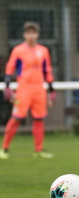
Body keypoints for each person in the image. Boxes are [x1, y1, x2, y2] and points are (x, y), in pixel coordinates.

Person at [1, 21, 56, 159]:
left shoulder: (43, 51)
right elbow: (9, 69)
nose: (31, 35)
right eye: (28, 32)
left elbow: (47, 71)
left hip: (39, 90)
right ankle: (4, 149)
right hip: (23, 89)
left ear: (37, 35)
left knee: (39, 119)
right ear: (24, 34)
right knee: (16, 119)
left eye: (33, 32)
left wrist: (52, 90)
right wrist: (7, 86)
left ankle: (38, 150)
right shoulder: (18, 50)